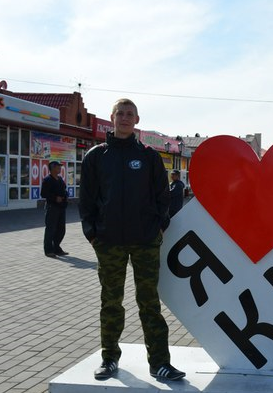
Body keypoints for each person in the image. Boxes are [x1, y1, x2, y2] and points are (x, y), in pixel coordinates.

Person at [79, 99, 185, 381]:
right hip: (108, 241)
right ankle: (109, 358)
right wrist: (92, 233)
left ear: (136, 120)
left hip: (145, 241)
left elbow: (163, 196)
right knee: (111, 302)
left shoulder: (149, 156)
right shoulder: (96, 156)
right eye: (120, 114)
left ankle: (160, 363)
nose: (125, 118)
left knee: (149, 302)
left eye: (130, 114)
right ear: (112, 118)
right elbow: (86, 198)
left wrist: (159, 226)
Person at [41, 161, 68, 257]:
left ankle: (57, 248)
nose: (60, 169)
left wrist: (65, 195)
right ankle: (48, 250)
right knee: (51, 229)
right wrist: (55, 198)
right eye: (58, 167)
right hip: (52, 207)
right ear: (52, 168)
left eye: (60, 167)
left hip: (61, 207)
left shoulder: (60, 179)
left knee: (61, 229)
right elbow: (44, 193)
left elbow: (64, 189)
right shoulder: (47, 180)